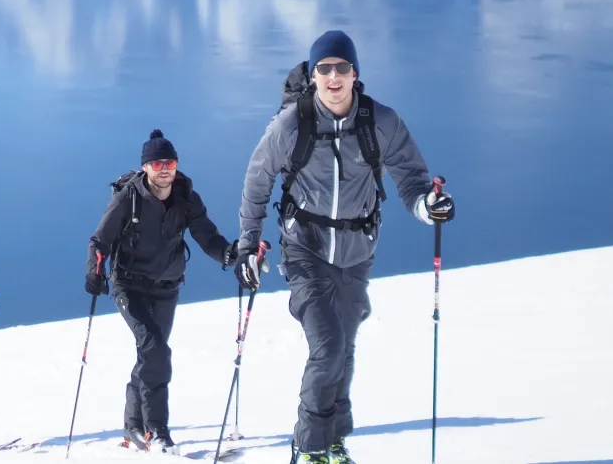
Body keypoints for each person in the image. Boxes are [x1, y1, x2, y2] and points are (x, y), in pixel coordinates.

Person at [234, 31, 455, 464]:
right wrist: (248, 246)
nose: (333, 76)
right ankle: (311, 446)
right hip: (304, 249)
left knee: (345, 348)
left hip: (357, 250)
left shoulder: (380, 122)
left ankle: (333, 438)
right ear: (313, 75)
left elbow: (412, 180)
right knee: (328, 346)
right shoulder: (292, 124)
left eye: (342, 67)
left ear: (355, 73)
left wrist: (430, 206)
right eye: (324, 68)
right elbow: (257, 181)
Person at [86, 130, 235, 454]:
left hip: (167, 287)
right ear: (146, 168)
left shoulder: (186, 196)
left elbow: (207, 235)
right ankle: (157, 431)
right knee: (155, 350)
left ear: (176, 165)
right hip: (129, 285)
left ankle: (132, 426)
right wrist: (94, 270)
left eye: (169, 162)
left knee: (150, 354)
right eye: (156, 163)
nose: (164, 168)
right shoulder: (130, 196)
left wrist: (229, 255)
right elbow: (101, 240)